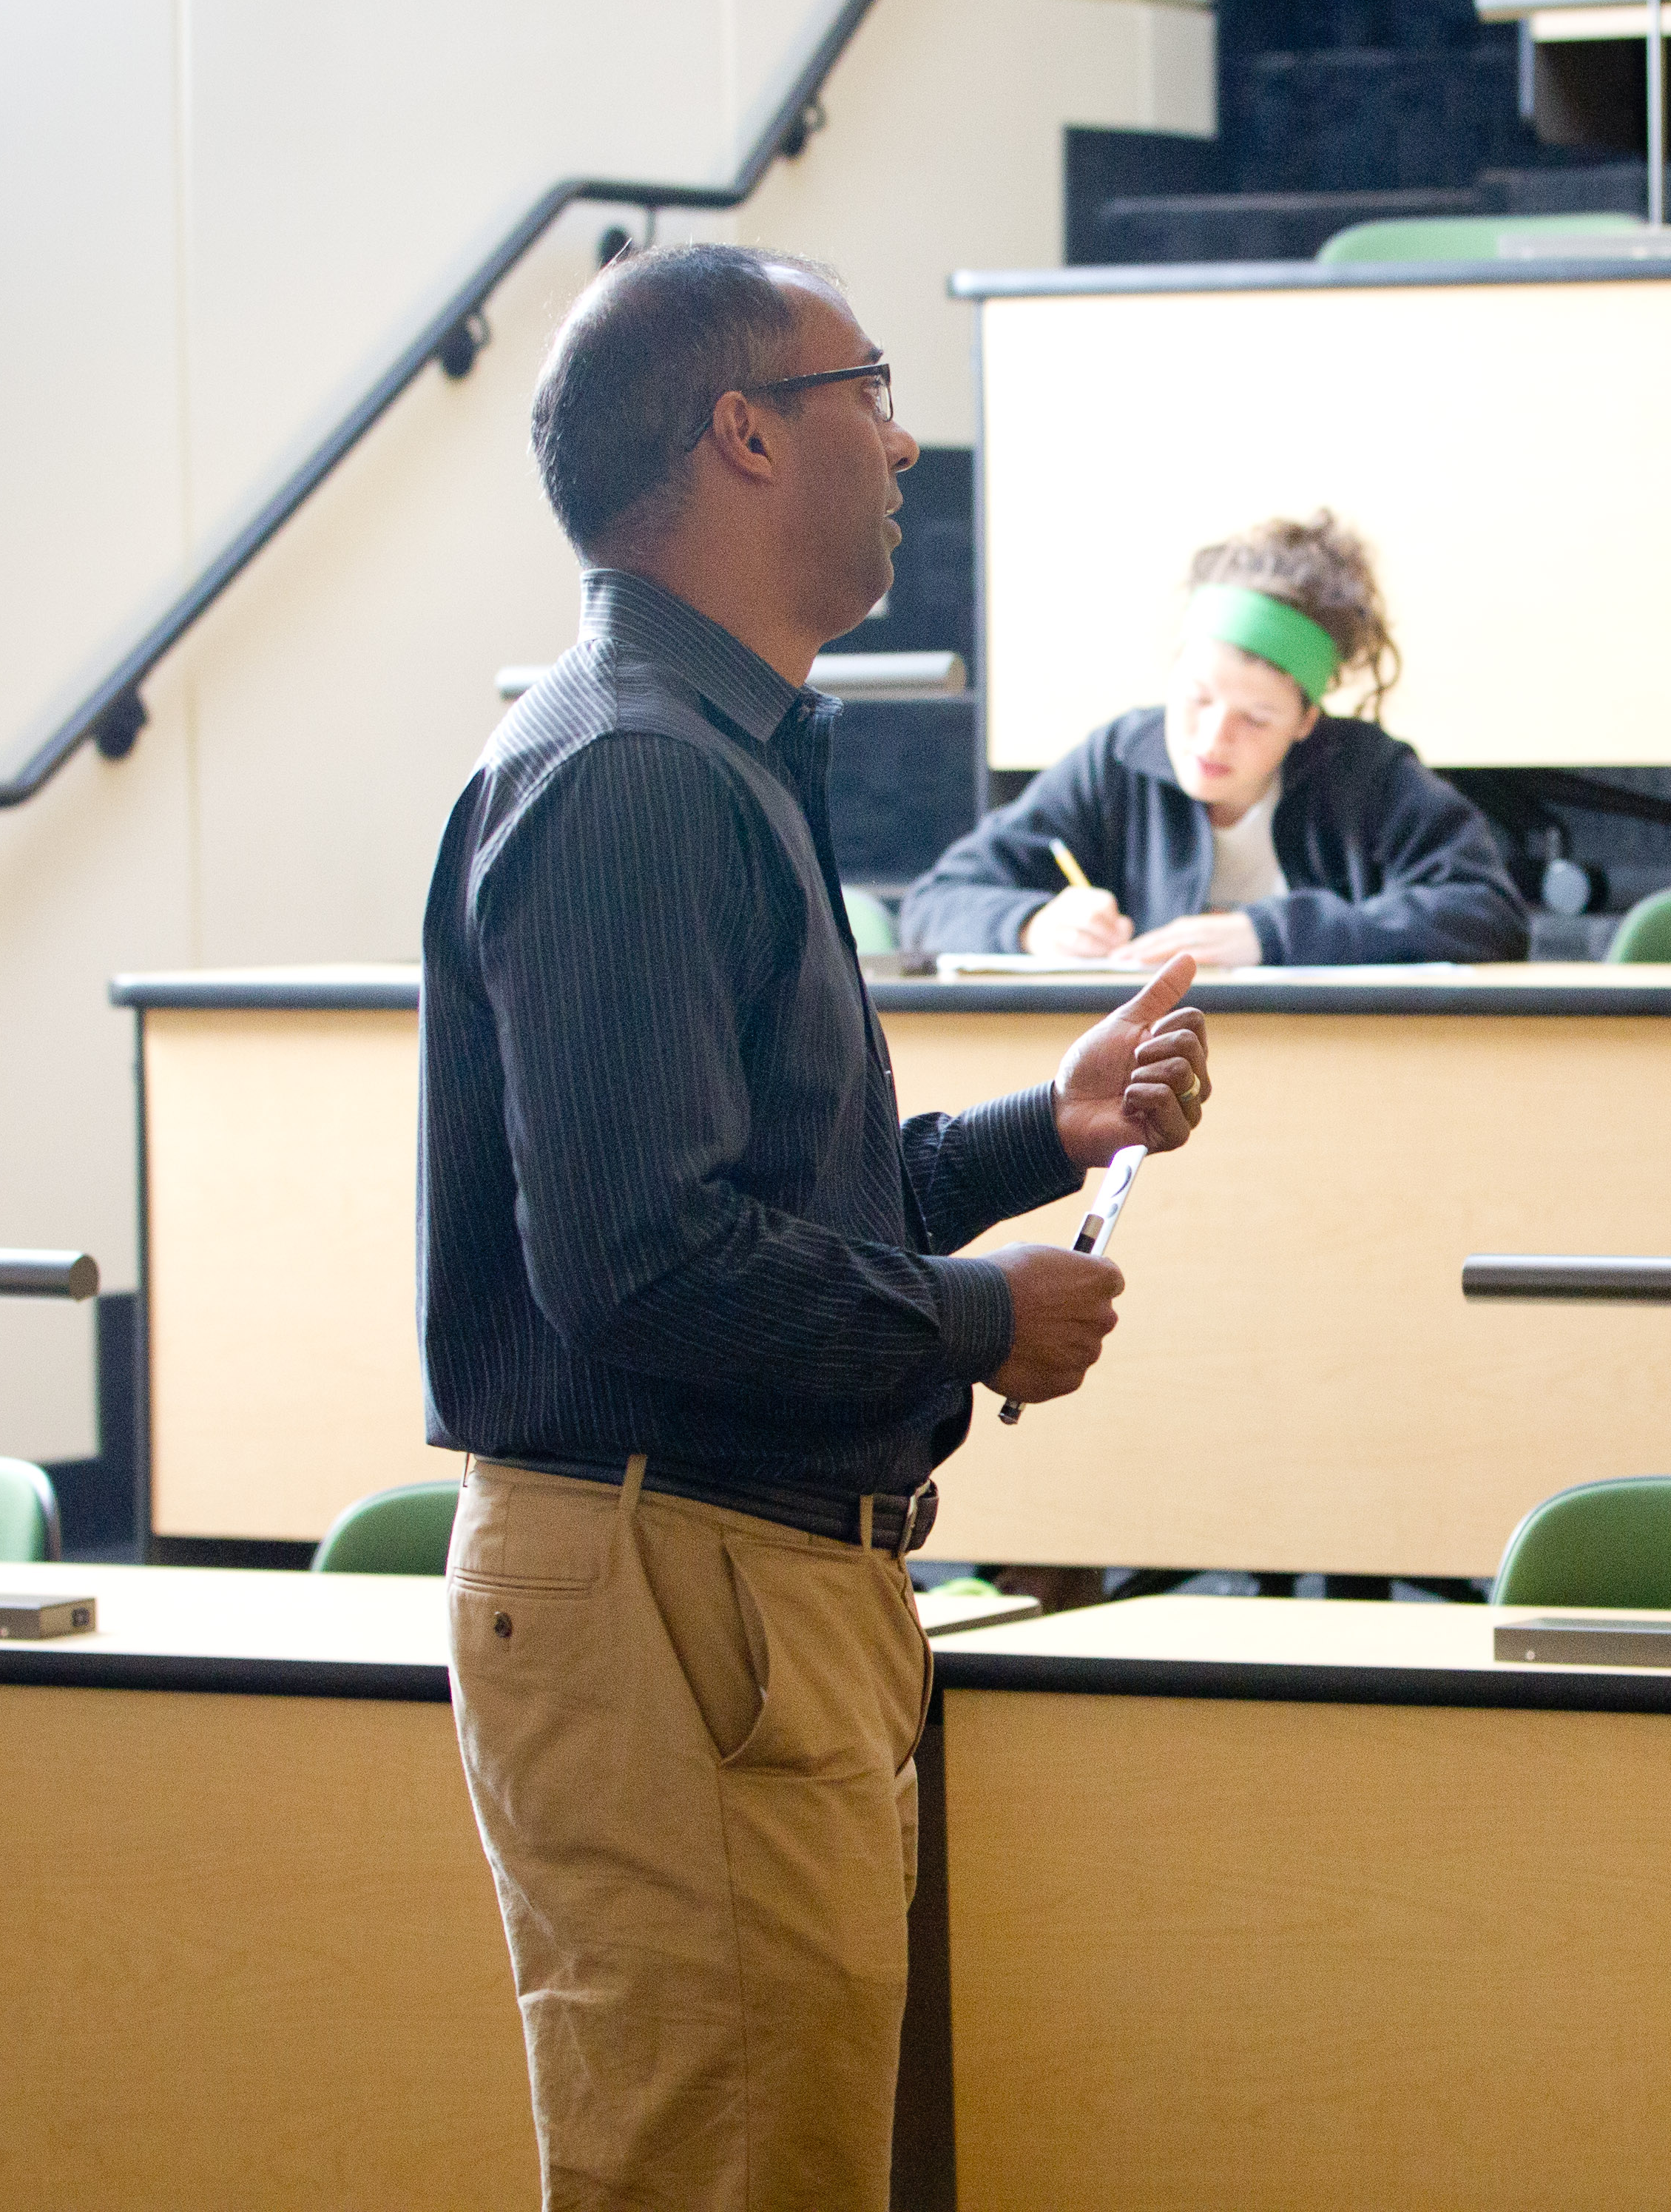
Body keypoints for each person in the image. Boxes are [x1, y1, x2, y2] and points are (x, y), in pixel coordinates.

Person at [421, 241, 1214, 2206]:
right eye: (870, 388)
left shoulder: (706, 750)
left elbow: (769, 1204)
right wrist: (972, 1320)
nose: (905, 440)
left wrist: (1046, 1132)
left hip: (727, 1586)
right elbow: (639, 1267)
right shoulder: (634, 774)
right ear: (746, 436)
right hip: (678, 1584)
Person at [899, 510, 1525, 966]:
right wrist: (1032, 926)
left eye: (1256, 718)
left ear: (1305, 722)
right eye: (1197, 699)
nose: (1212, 738)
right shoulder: (1118, 762)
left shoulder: (1365, 772)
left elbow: (1488, 915)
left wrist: (1270, 935)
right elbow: (933, 905)